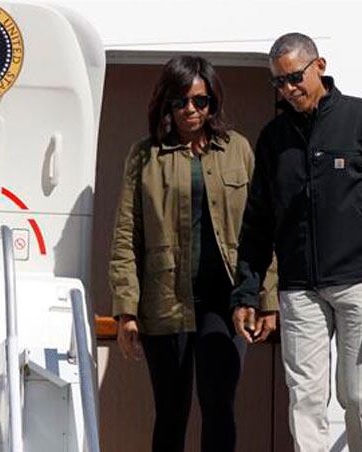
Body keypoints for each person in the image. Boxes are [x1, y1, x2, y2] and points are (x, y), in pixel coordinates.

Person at [231, 33, 362, 452]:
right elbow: (258, 222)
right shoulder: (273, 138)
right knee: (305, 398)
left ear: (319, 66)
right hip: (299, 288)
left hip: (361, 280)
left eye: (294, 77)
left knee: (359, 396)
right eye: (278, 83)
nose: (288, 89)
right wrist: (247, 290)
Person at [109, 55, 278, 452]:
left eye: (200, 101)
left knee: (219, 404)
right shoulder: (145, 155)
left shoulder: (236, 149)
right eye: (181, 101)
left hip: (227, 301)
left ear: (212, 103)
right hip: (166, 301)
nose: (191, 110)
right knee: (171, 410)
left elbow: (261, 228)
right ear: (166, 103)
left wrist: (267, 298)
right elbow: (125, 235)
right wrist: (126, 311)